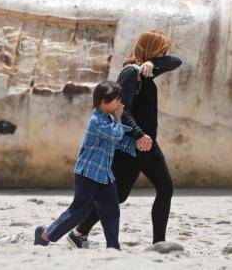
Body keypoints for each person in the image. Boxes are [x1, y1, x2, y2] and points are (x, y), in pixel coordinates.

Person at [69, 30, 182, 247]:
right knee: (118, 196)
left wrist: (151, 62)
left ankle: (159, 243)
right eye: (161, 50)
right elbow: (122, 109)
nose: (165, 53)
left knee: (165, 187)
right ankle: (79, 232)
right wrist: (138, 134)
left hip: (149, 145)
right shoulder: (130, 74)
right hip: (132, 143)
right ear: (151, 48)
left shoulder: (146, 71)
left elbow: (176, 62)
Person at [33, 80, 141, 250]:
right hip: (88, 175)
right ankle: (46, 234)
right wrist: (120, 117)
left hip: (104, 176)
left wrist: (137, 144)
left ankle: (113, 247)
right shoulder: (96, 121)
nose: (120, 103)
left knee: (112, 212)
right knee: (78, 212)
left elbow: (117, 142)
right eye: (117, 100)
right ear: (104, 102)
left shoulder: (109, 119)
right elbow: (114, 135)